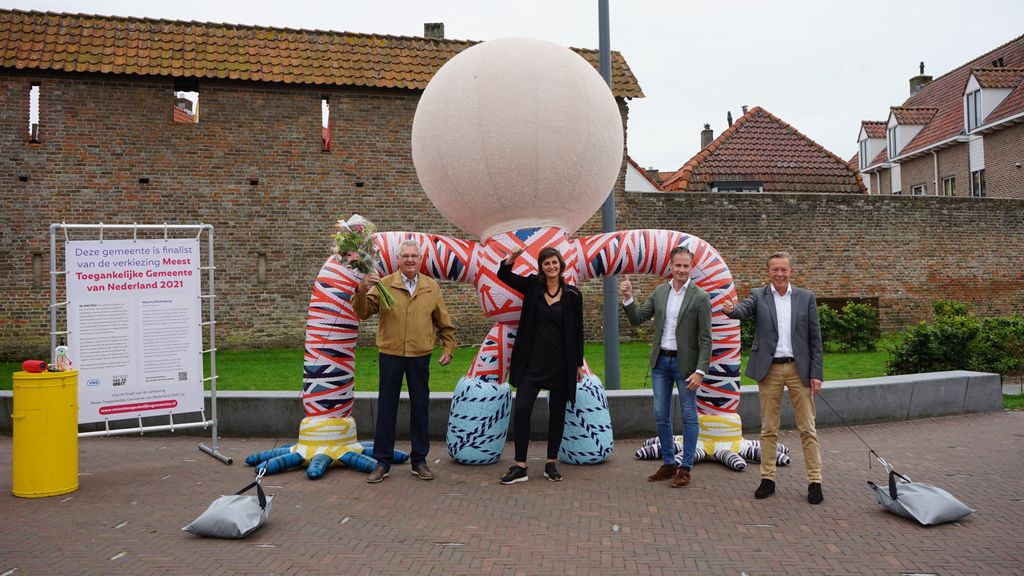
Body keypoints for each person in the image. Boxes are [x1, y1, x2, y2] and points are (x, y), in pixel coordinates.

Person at [723, 251, 825, 504]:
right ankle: (767, 479)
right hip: (769, 370)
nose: (779, 274)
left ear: (791, 271)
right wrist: (731, 310)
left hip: (799, 370)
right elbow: (743, 311)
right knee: (769, 428)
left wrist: (816, 374)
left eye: (784, 270)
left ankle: (815, 482)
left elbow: (816, 339)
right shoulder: (759, 295)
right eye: (775, 270)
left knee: (808, 428)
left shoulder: (806, 298)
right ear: (768, 272)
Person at [353, 239, 456, 483]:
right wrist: (360, 289)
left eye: (414, 256)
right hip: (390, 353)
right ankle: (382, 461)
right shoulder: (385, 284)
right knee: (387, 408)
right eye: (405, 256)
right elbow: (363, 312)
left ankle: (419, 460)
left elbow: (444, 320)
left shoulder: (431, 287)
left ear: (420, 261)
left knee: (420, 408)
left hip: (420, 355)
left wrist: (449, 347)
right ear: (397, 260)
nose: (410, 260)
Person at [619, 246, 712, 488]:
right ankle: (669, 463)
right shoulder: (660, 292)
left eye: (686, 266)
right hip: (660, 362)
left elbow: (706, 338)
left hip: (687, 366)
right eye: (677, 265)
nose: (681, 270)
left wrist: (700, 371)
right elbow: (637, 318)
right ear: (670, 267)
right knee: (661, 415)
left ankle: (686, 467)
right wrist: (628, 298)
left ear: (692, 268)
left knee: (689, 415)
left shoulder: (700, 297)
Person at [496, 246, 585, 485]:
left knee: (557, 413)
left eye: (554, 263)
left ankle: (550, 463)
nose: (551, 267)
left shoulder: (573, 295)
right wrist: (511, 259)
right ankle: (520, 465)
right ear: (541, 267)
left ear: (561, 265)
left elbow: (578, 332)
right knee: (523, 408)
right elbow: (503, 276)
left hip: (561, 364)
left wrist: (578, 364)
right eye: (547, 263)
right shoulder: (533, 286)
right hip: (532, 363)